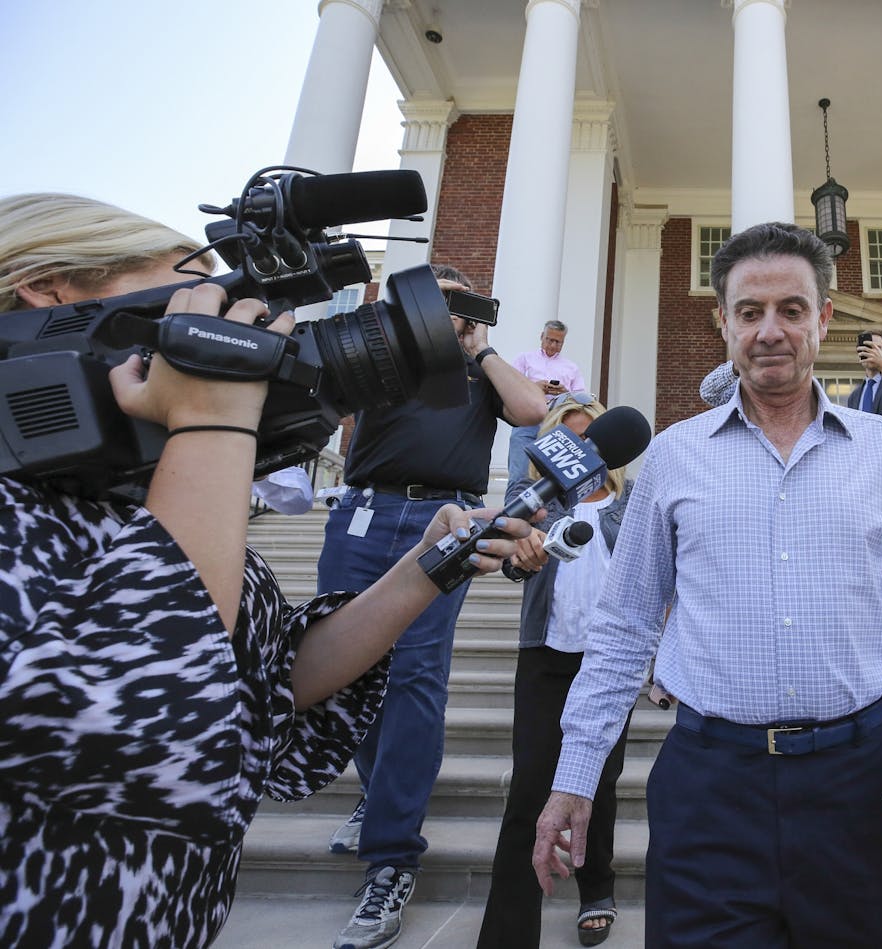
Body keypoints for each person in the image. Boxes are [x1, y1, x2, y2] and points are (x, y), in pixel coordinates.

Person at [0, 193, 531, 948]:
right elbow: (159, 717)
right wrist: (214, 420)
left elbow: (264, 679)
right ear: (51, 288)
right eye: (194, 291)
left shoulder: (114, 494)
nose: (220, 313)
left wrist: (422, 570)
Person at [532, 222, 882, 947]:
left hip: (863, 784)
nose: (770, 330)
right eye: (750, 312)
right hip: (709, 789)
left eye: (791, 309)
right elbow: (624, 629)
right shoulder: (673, 457)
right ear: (723, 322)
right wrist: (575, 774)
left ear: (824, 317)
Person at [317, 264, 545, 949]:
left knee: (414, 677)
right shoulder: (387, 358)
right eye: (433, 299)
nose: (447, 311)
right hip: (363, 514)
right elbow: (330, 389)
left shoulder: (482, 372)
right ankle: (376, 792)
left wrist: (478, 347)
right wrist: (403, 322)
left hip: (443, 520)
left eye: (457, 301)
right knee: (348, 669)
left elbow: (533, 410)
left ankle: (392, 856)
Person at [476, 394, 634, 949]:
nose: (582, 447)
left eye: (590, 435)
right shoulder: (534, 499)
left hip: (609, 662)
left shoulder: (631, 501)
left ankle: (598, 890)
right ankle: (508, 934)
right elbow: (507, 558)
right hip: (546, 656)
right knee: (530, 792)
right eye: (569, 437)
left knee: (600, 784)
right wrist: (520, 552)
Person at [507, 319, 589, 476]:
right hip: (526, 419)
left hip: (556, 422)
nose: (553, 345)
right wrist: (534, 387)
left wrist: (565, 392)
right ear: (541, 336)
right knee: (519, 471)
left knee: (550, 474)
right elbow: (510, 386)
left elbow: (581, 398)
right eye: (549, 340)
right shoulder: (524, 359)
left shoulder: (571, 367)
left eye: (558, 342)